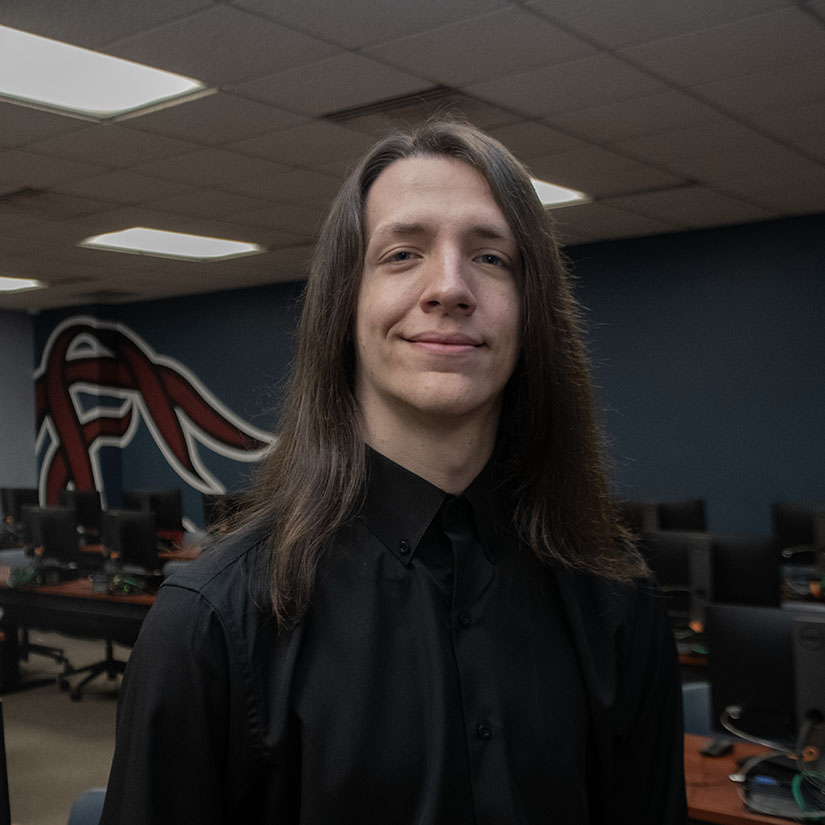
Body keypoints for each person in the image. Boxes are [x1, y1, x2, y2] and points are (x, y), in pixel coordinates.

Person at [100, 120, 687, 824]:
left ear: (532, 310)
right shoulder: (211, 622)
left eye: (491, 257)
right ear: (344, 304)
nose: (450, 287)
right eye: (403, 253)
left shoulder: (618, 599)